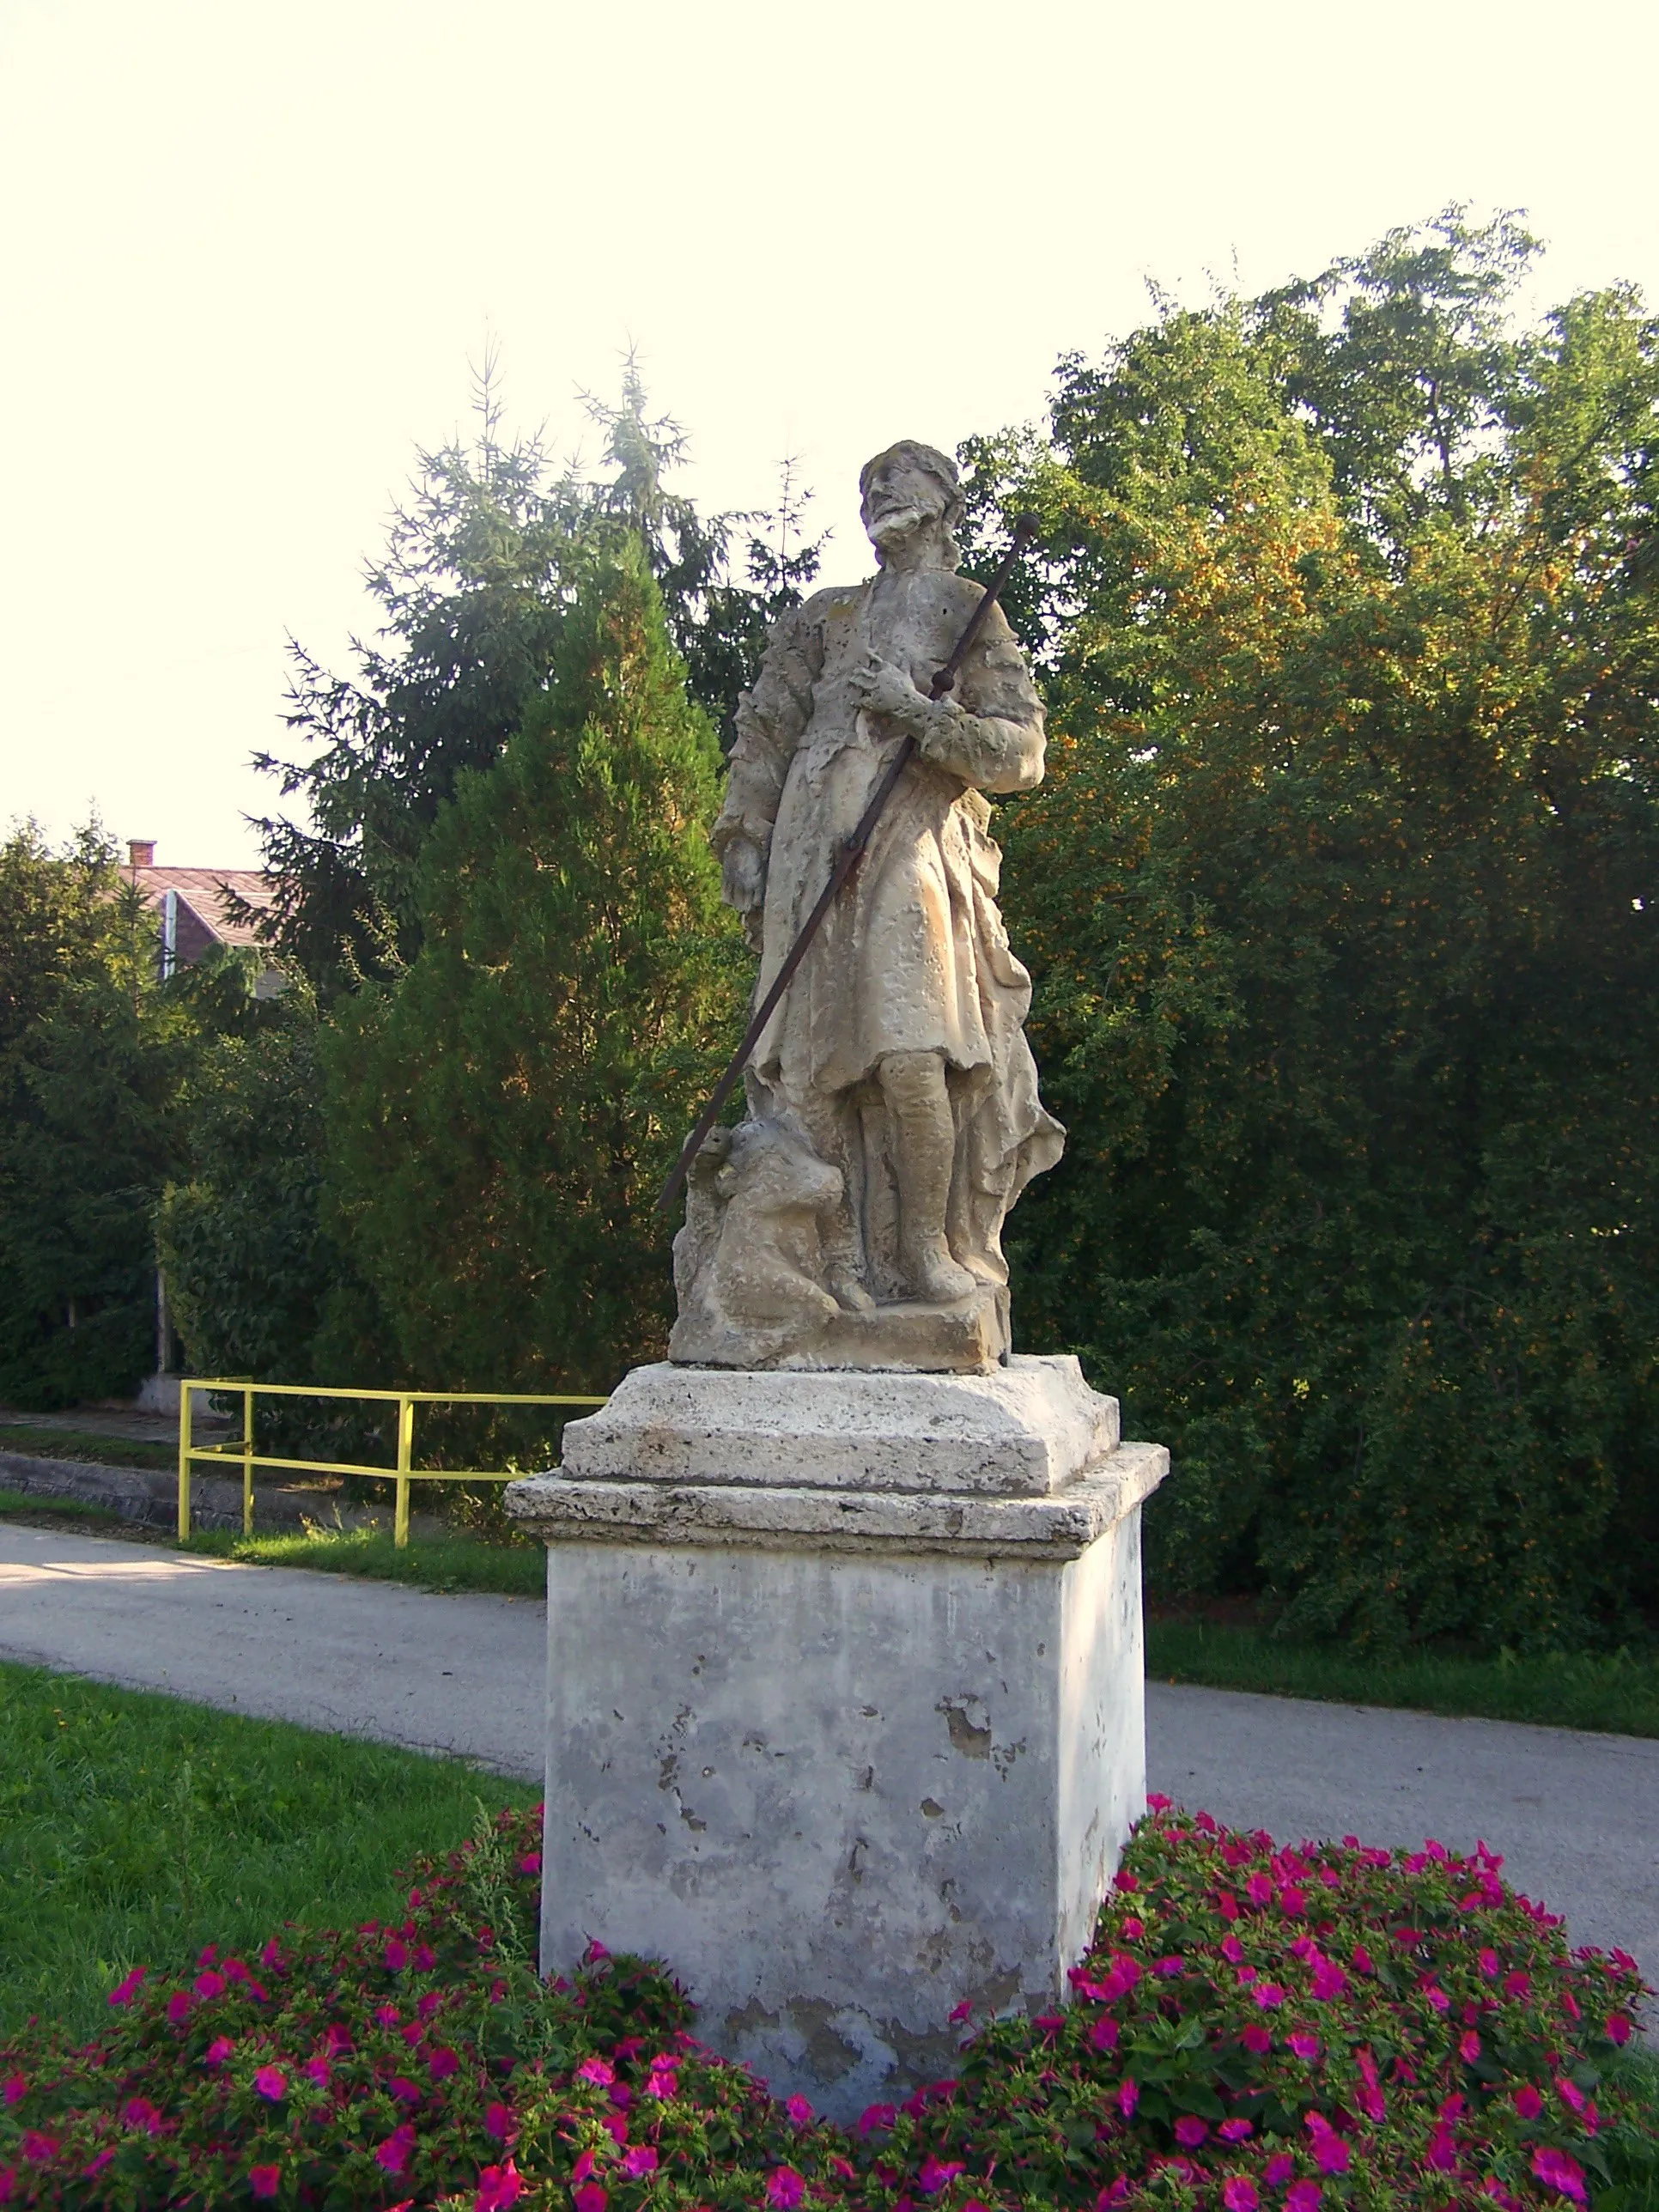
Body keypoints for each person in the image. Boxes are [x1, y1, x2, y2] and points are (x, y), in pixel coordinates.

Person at [710, 440, 1064, 1313]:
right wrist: (745, 836)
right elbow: (765, 732)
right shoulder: (823, 618)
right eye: (869, 483)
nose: (878, 492)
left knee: (914, 1055)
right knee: (810, 1067)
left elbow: (1021, 754)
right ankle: (838, 1262)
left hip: (911, 843)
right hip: (807, 857)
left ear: (944, 504)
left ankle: (925, 1249)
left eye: (899, 481)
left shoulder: (966, 612)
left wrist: (917, 710)